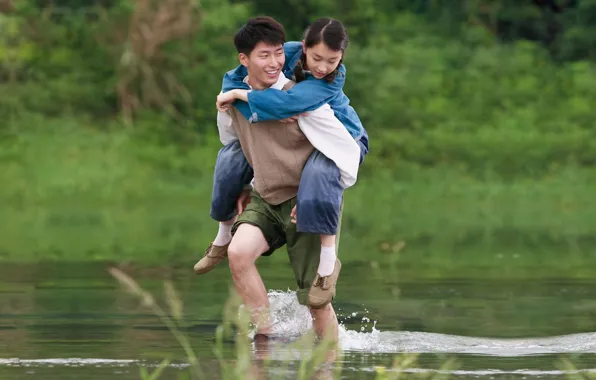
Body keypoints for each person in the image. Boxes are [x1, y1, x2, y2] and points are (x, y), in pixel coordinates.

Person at [201, 16, 360, 342]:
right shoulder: (233, 96)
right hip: (265, 195)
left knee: (316, 302)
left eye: (277, 54)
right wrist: (244, 186)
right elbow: (233, 145)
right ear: (243, 60)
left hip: (304, 203)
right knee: (238, 254)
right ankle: (266, 340)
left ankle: (329, 362)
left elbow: (343, 151)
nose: (274, 62)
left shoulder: (304, 99)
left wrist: (317, 198)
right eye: (264, 55)